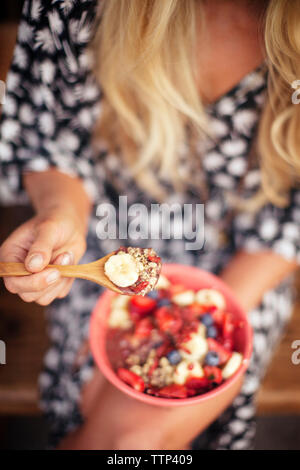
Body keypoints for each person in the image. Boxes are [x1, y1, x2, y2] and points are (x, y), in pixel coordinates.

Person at [0, 0, 299, 450]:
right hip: (103, 238)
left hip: (248, 254)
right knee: (102, 399)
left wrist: (206, 313)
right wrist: (60, 213)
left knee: (140, 428)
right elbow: (45, 139)